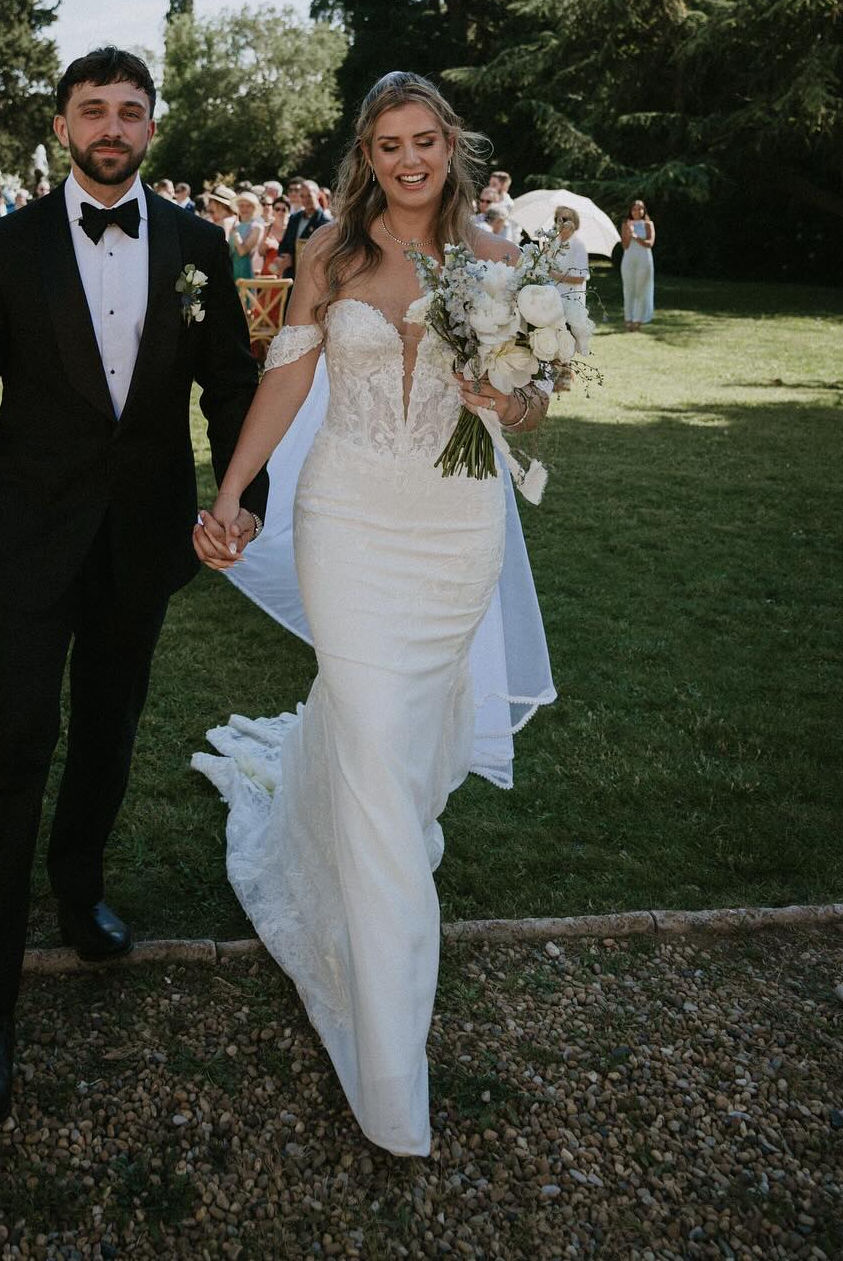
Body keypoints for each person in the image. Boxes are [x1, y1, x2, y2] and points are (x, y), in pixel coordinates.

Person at [190, 71, 554, 1158]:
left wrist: (508, 399)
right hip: (347, 519)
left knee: (402, 745)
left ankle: (346, 847)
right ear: (366, 152)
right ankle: (393, 1059)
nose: (408, 159)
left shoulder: (502, 265)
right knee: (375, 732)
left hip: (453, 530)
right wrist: (231, 492)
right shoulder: (327, 258)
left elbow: (543, 398)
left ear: (451, 148)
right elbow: (287, 386)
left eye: (425, 140)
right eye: (389, 143)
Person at [0, 45, 268, 1131]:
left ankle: (78, 889)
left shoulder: (201, 247)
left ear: (152, 129)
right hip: (18, 542)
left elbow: (232, 391)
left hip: (142, 544)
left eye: (129, 112)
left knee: (110, 731)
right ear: (63, 126)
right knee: (15, 744)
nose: (111, 128)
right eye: (92, 112)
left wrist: (238, 498)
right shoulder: (8, 246)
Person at [273, 178, 329, 277]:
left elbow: (322, 253)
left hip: (312, 276)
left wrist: (292, 259)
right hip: (291, 275)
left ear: (317, 195)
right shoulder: (294, 218)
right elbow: (284, 243)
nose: (305, 199)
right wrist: (282, 258)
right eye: (302, 196)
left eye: (309, 196)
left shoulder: (325, 222)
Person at [549, 205, 590, 321]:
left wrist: (557, 276)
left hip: (570, 298)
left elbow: (580, 278)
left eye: (566, 219)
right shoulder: (553, 242)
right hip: (550, 296)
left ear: (574, 223)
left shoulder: (578, 245)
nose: (562, 222)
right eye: (559, 218)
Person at [620, 198, 655, 330]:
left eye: (640, 208)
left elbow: (649, 243)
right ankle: (628, 319)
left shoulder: (648, 224)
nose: (637, 211)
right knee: (628, 289)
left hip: (644, 260)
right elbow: (625, 245)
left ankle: (638, 320)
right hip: (628, 259)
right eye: (634, 209)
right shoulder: (626, 224)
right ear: (631, 210)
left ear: (643, 210)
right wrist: (629, 232)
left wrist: (635, 235)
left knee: (640, 290)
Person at [230, 191, 264, 280]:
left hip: (247, 271)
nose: (244, 209)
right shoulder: (236, 227)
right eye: (241, 206)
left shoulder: (257, 227)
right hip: (232, 270)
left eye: (248, 206)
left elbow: (242, 251)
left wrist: (235, 234)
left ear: (254, 208)